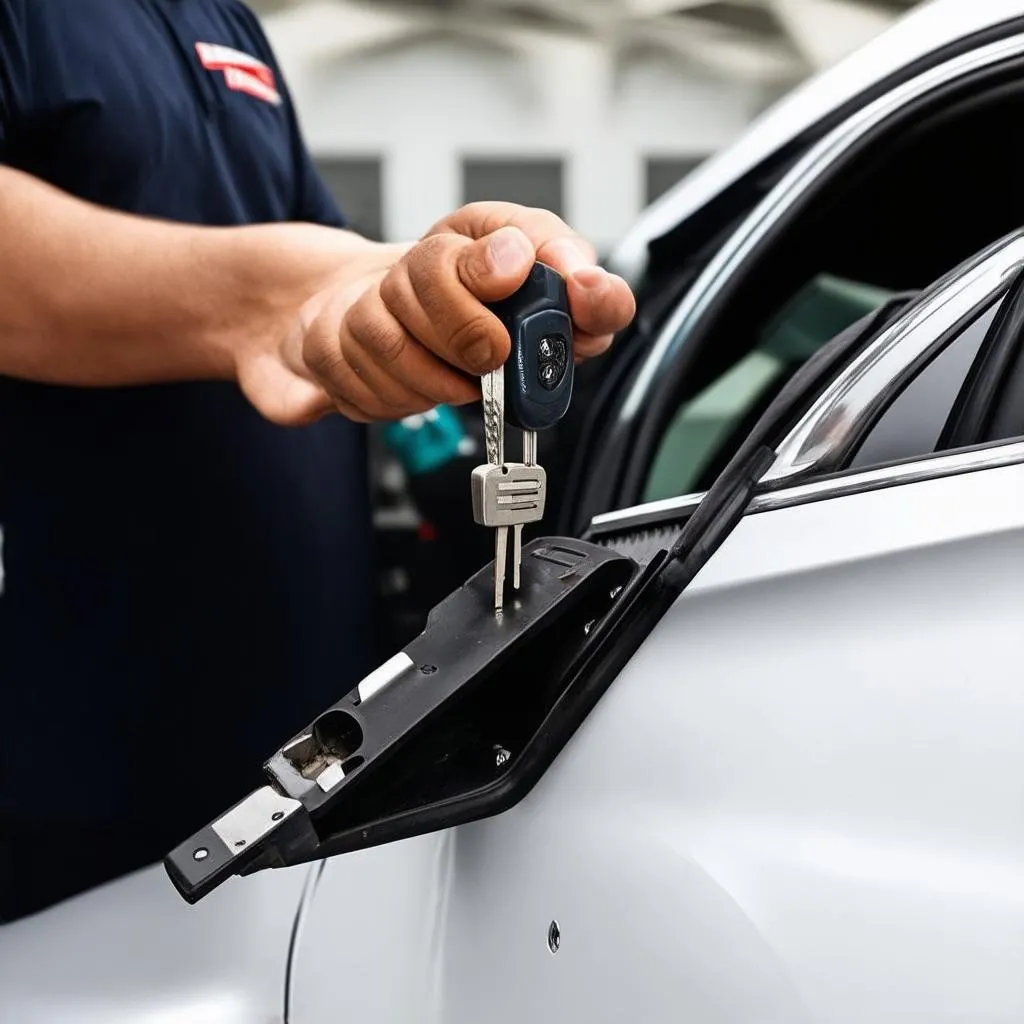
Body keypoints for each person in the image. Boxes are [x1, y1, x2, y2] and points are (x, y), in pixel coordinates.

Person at [0, 0, 635, 922]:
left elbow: (334, 277)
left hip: (297, 767)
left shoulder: (222, 20)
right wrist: (267, 305)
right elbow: (296, 290)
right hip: (75, 767)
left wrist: (419, 280)